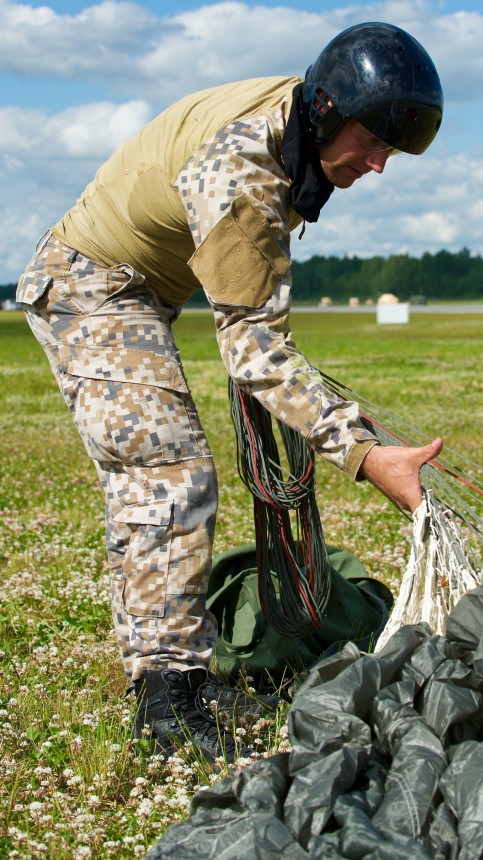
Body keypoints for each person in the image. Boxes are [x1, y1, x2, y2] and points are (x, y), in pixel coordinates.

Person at [16, 22, 444, 765]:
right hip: (92, 284)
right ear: (325, 108)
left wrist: (334, 417)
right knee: (167, 471)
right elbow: (254, 347)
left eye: (391, 152)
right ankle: (166, 703)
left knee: (170, 470)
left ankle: (176, 673)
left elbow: (256, 319)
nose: (378, 165)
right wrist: (364, 455)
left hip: (139, 289)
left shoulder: (290, 128)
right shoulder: (247, 165)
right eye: (372, 140)